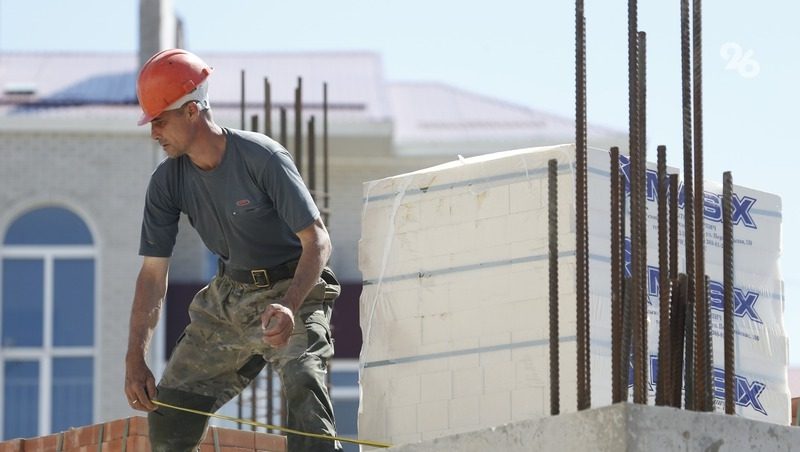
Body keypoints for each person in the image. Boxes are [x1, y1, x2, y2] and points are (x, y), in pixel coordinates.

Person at [123, 48, 342, 452]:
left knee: (303, 380)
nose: (153, 132)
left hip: (295, 288)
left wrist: (291, 306)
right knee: (170, 417)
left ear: (192, 111)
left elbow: (318, 240)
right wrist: (135, 358)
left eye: (159, 120)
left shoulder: (262, 157)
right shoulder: (167, 182)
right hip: (228, 299)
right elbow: (153, 276)